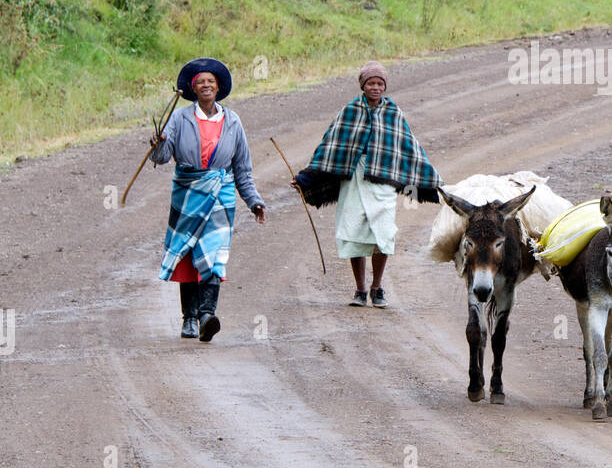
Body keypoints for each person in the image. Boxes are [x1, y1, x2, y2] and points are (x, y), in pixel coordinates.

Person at [293, 61, 441, 309]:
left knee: (383, 234)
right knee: (354, 234)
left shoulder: (394, 113)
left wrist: (435, 183)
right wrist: (305, 178)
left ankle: (377, 287)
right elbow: (330, 148)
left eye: (379, 83)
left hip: (382, 183)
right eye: (371, 83)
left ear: (385, 86)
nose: (375, 87)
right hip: (352, 180)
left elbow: (410, 150)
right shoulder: (349, 111)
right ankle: (360, 290)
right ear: (363, 85)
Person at [149, 58, 266, 341]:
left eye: (210, 82)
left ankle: (206, 316)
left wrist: (254, 201)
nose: (206, 85)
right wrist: (158, 143)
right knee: (188, 254)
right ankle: (188, 318)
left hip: (221, 194)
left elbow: (242, 169)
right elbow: (161, 159)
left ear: (218, 87)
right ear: (192, 87)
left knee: (214, 255)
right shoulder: (178, 118)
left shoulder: (233, 121)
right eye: (200, 81)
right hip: (188, 191)